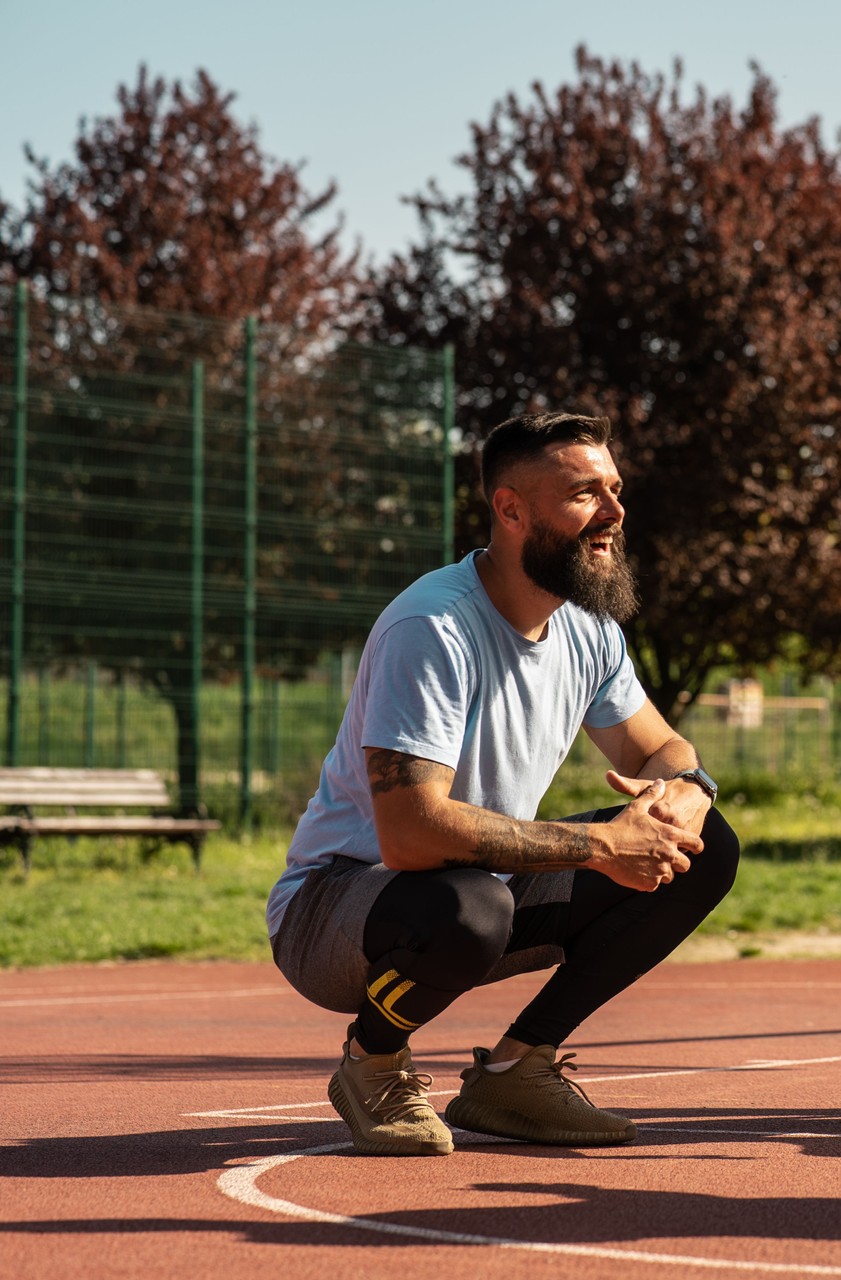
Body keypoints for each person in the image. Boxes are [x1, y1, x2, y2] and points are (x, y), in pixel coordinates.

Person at [266, 411, 739, 1157]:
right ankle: (373, 1060)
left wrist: (688, 790)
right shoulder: (434, 627)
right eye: (585, 494)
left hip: (476, 884)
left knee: (702, 845)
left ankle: (518, 1070)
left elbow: (661, 747)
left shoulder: (589, 627)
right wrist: (599, 843)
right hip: (339, 908)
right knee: (470, 908)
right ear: (511, 508)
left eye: (616, 489)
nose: (615, 511)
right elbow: (411, 832)